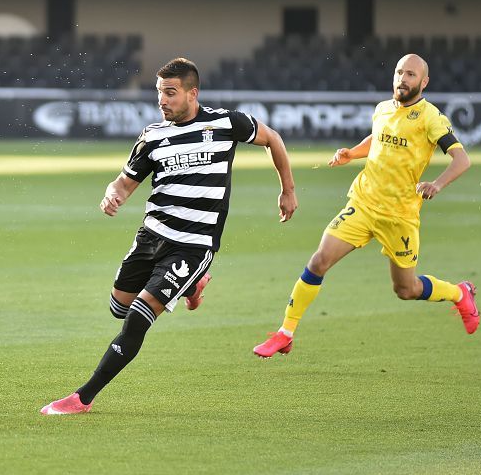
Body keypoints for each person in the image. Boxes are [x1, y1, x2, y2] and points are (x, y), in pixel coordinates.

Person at [40, 57, 297, 415]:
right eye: (160, 92)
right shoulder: (152, 135)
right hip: (151, 236)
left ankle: (82, 397)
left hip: (193, 245)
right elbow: (126, 181)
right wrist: (112, 194)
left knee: (138, 319)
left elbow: (273, 139)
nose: (163, 100)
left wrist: (288, 189)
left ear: (193, 93)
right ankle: (191, 287)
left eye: (170, 93)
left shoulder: (226, 123)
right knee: (119, 307)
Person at [253, 53, 479, 359]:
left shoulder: (431, 118)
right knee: (319, 261)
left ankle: (459, 293)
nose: (402, 78)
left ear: (424, 82)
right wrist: (352, 153)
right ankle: (285, 333)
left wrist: (436, 184)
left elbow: (461, 159)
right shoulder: (383, 108)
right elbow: (379, 138)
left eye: (411, 74)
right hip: (363, 203)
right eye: (400, 72)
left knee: (406, 289)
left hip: (399, 216)